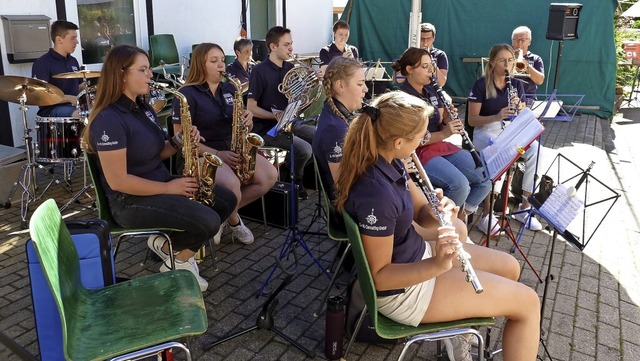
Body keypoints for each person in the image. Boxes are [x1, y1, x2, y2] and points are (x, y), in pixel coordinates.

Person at [335, 91, 540, 361]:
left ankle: (460, 334)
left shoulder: (390, 160)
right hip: (406, 292)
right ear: (398, 141)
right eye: (420, 136)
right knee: (528, 303)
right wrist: (437, 265)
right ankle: (463, 324)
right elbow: (380, 277)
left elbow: (421, 214)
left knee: (510, 268)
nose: (423, 141)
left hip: (416, 256)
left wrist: (440, 209)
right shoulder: (377, 194)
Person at [83, 44, 238, 292]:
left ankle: (170, 250)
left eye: (149, 69)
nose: (150, 75)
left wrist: (180, 141)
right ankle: (176, 261)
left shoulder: (142, 107)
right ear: (122, 75)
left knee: (226, 199)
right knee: (208, 220)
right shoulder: (108, 120)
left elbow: (157, 150)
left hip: (159, 185)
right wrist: (170, 187)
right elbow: (118, 181)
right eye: (143, 70)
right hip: (129, 201)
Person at [173, 43, 277, 245]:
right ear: (200, 65)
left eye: (222, 60)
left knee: (270, 175)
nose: (221, 65)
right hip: (201, 155)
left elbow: (239, 124)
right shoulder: (186, 94)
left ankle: (221, 215)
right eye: (214, 61)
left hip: (230, 150)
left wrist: (248, 119)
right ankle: (235, 222)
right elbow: (182, 139)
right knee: (231, 185)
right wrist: (218, 154)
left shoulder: (231, 88)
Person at [393, 47, 493, 227]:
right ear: (409, 69)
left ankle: (460, 219)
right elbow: (411, 138)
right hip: (417, 151)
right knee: (460, 186)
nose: (430, 71)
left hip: (439, 145)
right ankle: (438, 227)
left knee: (485, 179)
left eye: (431, 66)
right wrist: (446, 132)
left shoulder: (431, 91)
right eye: (424, 67)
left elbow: (441, 120)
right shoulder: (403, 97)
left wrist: (448, 117)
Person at [467, 44, 543, 232]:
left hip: (509, 130)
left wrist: (520, 109)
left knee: (535, 150)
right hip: (485, 130)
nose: (507, 65)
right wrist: (497, 116)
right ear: (493, 62)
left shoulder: (516, 84)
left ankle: (525, 207)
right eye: (502, 60)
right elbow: (471, 119)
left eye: (510, 60)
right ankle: (487, 213)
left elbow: (523, 114)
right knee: (502, 152)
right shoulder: (480, 84)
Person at [247, 26, 316, 200]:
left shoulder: (290, 68)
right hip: (267, 128)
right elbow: (251, 108)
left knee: (320, 138)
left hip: (289, 123)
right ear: (273, 47)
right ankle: (296, 178)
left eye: (291, 44)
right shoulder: (259, 71)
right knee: (305, 150)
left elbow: (298, 98)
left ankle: (289, 168)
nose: (291, 48)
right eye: (286, 45)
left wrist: (311, 84)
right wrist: (275, 116)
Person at [31, 20, 82, 117]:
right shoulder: (42, 63)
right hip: (52, 109)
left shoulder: (73, 60)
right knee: (82, 115)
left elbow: (78, 87)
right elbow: (40, 94)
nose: (77, 42)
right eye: (73, 38)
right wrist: (69, 98)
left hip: (74, 105)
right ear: (59, 40)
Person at [511, 26, 545, 97]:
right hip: (508, 95)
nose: (519, 43)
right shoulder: (506, 57)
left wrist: (525, 64)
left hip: (528, 96)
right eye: (516, 40)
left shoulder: (535, 59)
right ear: (512, 42)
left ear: (529, 42)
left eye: (523, 40)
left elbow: (539, 81)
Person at [419, 23, 448, 87]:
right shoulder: (410, 54)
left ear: (433, 38)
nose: (425, 42)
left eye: (428, 38)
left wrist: (431, 63)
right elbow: (399, 79)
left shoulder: (440, 55)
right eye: (422, 38)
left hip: (431, 91)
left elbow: (441, 83)